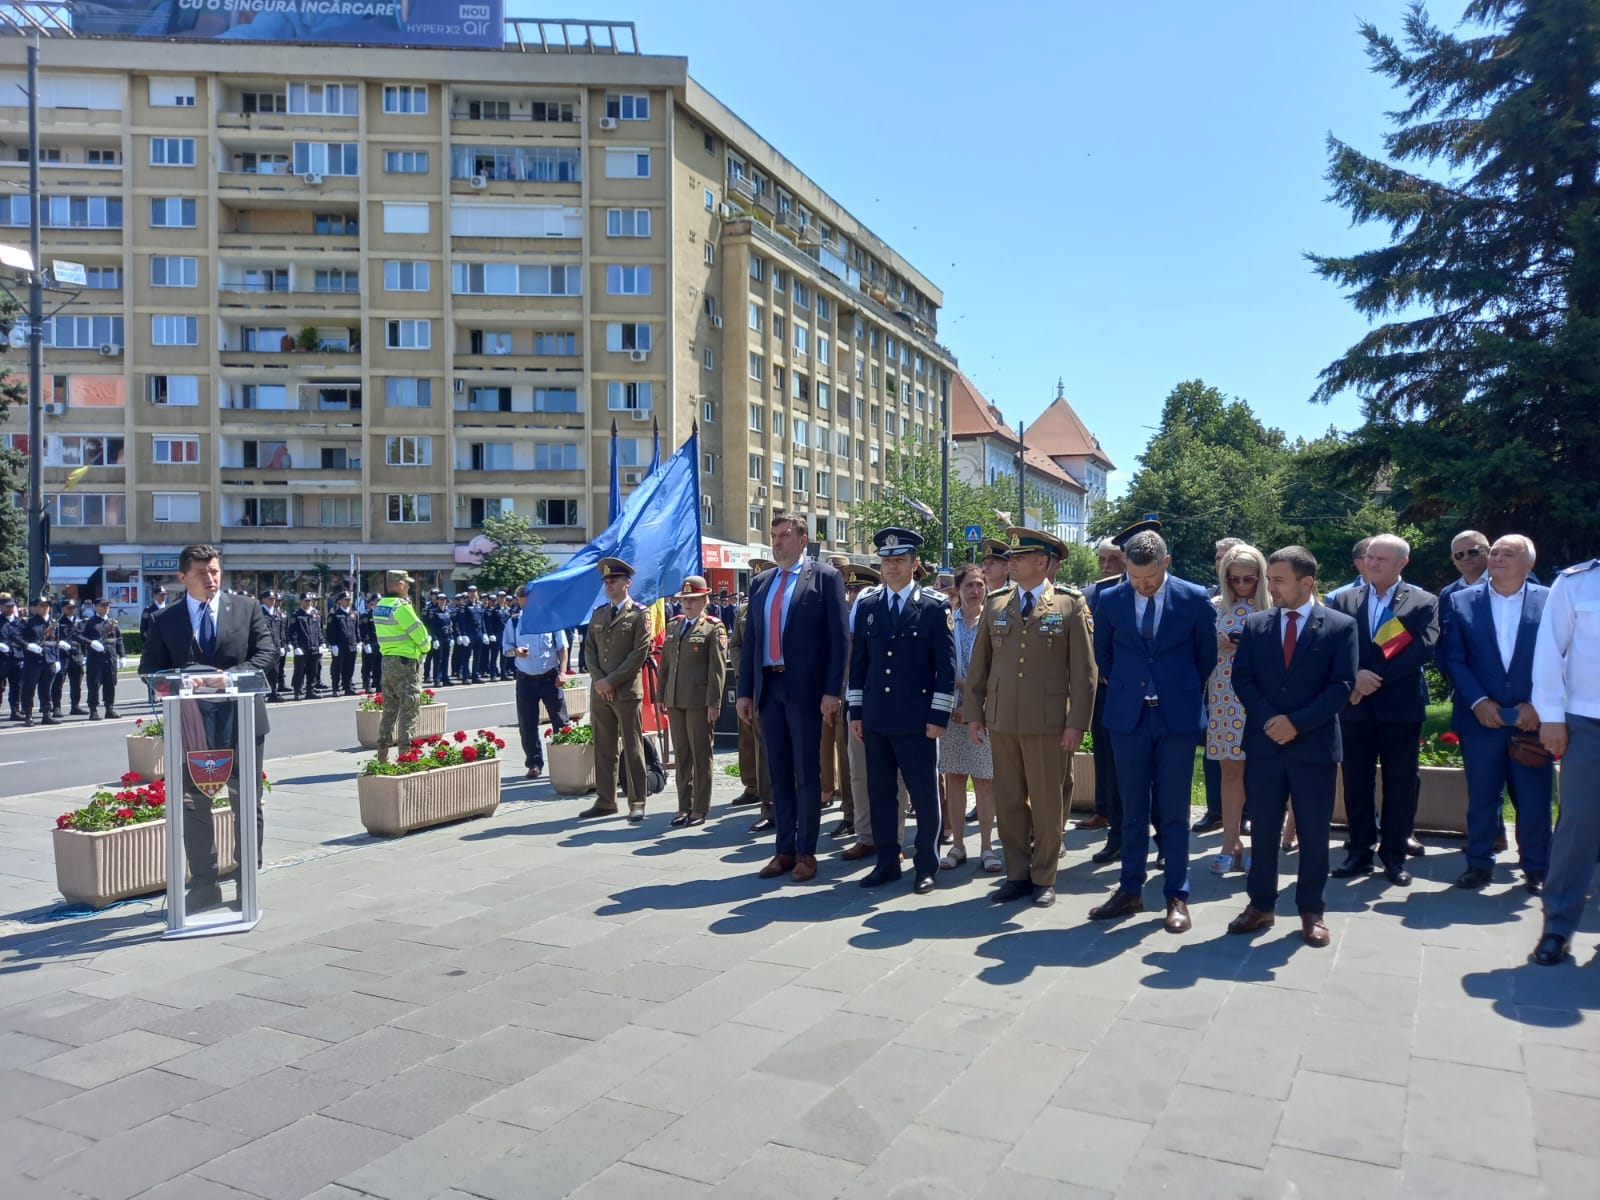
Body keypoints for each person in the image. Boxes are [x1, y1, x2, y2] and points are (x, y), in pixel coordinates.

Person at [1227, 546, 1359, 946]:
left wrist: (1296, 723)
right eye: (1270, 579)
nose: (1272, 587)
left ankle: (1311, 910)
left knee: (1315, 833)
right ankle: (1260, 905)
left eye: (1279, 579)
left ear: (1307, 583)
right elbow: (1243, 679)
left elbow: (1342, 686)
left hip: (1313, 747)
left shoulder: (1339, 626)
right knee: (1263, 830)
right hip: (1266, 745)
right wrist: (1271, 720)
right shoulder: (1257, 624)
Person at [1089, 527, 1216, 933]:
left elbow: (1205, 657)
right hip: (1129, 718)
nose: (1142, 586)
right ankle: (1129, 890)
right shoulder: (1110, 599)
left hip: (1176, 718)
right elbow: (1104, 655)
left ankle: (1176, 894)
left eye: (1150, 579)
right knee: (1131, 810)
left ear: (1166, 564)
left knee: (1174, 809)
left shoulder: (1194, 598)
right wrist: (1131, 687)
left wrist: (1175, 689)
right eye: (1135, 578)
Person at [138, 544, 275, 911]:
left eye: (215, 571)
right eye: (202, 574)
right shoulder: (166, 620)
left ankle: (247, 880)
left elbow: (266, 654)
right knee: (194, 805)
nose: (211, 579)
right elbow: (149, 670)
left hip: (242, 720)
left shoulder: (246, 609)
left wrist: (226, 679)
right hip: (191, 724)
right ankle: (204, 884)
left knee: (245, 801)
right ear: (183, 578)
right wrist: (183, 680)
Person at [965, 526, 1096, 908]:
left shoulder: (1070, 605)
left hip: (1048, 722)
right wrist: (975, 714)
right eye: (1011, 558)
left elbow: (1085, 674)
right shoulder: (996, 604)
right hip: (1003, 720)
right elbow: (979, 668)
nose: (1012, 564)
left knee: (1046, 802)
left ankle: (1044, 876)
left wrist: (1077, 724)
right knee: (1008, 802)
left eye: (1019, 558)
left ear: (1042, 562)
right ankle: (1017, 874)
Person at [737, 513, 849, 884]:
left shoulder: (825, 578)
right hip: (769, 688)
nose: (777, 542)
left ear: (803, 539)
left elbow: (839, 639)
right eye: (774, 535)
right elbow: (752, 640)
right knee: (778, 772)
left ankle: (806, 851)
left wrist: (833, 690)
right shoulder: (761, 583)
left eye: (784, 535)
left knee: (806, 772)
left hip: (805, 691)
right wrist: (745, 692)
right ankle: (783, 849)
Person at [1440, 535, 1553, 893]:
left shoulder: (1550, 601)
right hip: (1481, 718)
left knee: (1534, 798)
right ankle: (1478, 864)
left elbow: (1560, 658)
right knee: (1483, 796)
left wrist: (1538, 705)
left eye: (1509, 553)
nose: (1499, 557)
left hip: (1532, 720)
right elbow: (1453, 659)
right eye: (1496, 552)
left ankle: (1536, 867)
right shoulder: (1460, 602)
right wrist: (1478, 702)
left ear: (1528, 563)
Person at [846, 528, 955, 895]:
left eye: (899, 560)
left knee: (924, 796)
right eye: (887, 560)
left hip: (917, 720)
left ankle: (927, 864)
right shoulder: (869, 605)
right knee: (880, 795)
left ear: (914, 564)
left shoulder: (934, 607)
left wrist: (938, 716)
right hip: (876, 718)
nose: (891, 567)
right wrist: (856, 712)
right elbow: (859, 663)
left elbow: (946, 667)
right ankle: (887, 861)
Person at [1327, 534, 1440, 887]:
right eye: (1370, 557)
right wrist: (1355, 677)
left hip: (1399, 706)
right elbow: (1333, 645)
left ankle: (1393, 855)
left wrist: (1373, 678)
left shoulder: (1423, 601)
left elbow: (1422, 647)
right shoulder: (1344, 599)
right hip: (1355, 706)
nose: (1372, 563)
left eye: (1382, 559)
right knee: (1357, 781)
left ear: (1402, 563)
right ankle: (1359, 852)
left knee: (1400, 782)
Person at [1528, 555, 1600, 965]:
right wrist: (1552, 717)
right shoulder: (1577, 583)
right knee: (1578, 826)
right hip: (1588, 721)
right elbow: (1548, 652)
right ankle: (1557, 925)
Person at [1206, 543, 1270, 874]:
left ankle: (1265, 843)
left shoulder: (1276, 606)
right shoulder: (1213, 608)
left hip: (1264, 699)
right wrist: (1213, 642)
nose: (1242, 586)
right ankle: (1229, 843)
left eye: (1249, 579)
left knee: (1264, 776)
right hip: (1225, 699)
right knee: (1231, 772)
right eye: (1234, 580)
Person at [581, 558, 652, 821]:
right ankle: (605, 799)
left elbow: (639, 653)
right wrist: (599, 680)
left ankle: (637, 800)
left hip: (625, 692)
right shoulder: (599, 613)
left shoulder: (639, 614)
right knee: (603, 746)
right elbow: (589, 650)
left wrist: (611, 681)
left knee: (632, 747)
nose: (609, 584)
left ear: (627, 583)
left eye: (614, 580)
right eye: (606, 581)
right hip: (600, 692)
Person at [940, 563, 1000, 874]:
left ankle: (988, 847)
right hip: (951, 709)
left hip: (984, 711)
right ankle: (958, 844)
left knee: (985, 780)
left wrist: (975, 701)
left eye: (979, 585)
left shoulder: (994, 620)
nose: (975, 591)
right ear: (958, 590)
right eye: (969, 586)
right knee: (954, 777)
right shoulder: (948, 622)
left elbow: (999, 668)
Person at [659, 576, 727, 829]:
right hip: (676, 699)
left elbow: (717, 670)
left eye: (693, 599)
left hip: (699, 701)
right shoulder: (674, 626)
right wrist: (661, 696)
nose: (687, 604)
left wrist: (714, 702)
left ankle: (700, 807)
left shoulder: (713, 627)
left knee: (701, 755)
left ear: (704, 600)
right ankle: (683, 805)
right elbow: (665, 666)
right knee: (682, 755)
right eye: (684, 599)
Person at [1078, 536, 1126, 848]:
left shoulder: (1132, 591)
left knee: (1124, 758)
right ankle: (1102, 809)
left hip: (1128, 686)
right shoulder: (1088, 595)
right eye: (1102, 560)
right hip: (1099, 687)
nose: (1106, 566)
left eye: (1113, 560)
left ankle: (1126, 815)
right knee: (1102, 751)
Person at [504, 586, 569, 780]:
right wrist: (516, 651)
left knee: (560, 721)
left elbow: (563, 648)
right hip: (525, 678)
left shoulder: (551, 619)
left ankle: (564, 761)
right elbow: (506, 648)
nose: (524, 603)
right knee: (527, 724)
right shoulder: (514, 622)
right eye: (521, 599)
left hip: (550, 677)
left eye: (527, 599)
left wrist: (564, 672)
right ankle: (534, 764)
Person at [728, 563, 776, 826]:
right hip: (748, 684)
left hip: (772, 683)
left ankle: (772, 805)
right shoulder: (744, 610)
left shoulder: (778, 605)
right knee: (749, 741)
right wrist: (745, 672)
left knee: (770, 747)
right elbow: (737, 645)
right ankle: (752, 787)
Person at [372, 570, 434, 764]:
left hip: (388, 661)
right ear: (399, 584)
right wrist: (426, 647)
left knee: (390, 709)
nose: (408, 586)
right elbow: (419, 633)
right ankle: (406, 757)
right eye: (406, 583)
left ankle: (382, 757)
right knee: (409, 708)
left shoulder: (380, 606)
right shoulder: (401, 607)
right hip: (406, 662)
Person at [19, 595, 62, 726]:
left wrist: (57, 659)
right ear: (34, 608)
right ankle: (28, 715)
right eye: (42, 606)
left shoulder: (53, 623)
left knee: (46, 689)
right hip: (33, 661)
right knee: (29, 688)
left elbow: (56, 642)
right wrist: (28, 646)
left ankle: (46, 714)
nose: (46, 608)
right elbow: (18, 638)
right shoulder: (27, 622)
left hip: (49, 660)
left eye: (47, 605)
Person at [79, 595, 124, 719]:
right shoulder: (90, 623)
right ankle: (93, 710)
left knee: (110, 683)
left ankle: (109, 708)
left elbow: (119, 639)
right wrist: (91, 643)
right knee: (94, 684)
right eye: (103, 605)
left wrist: (122, 656)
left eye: (107, 605)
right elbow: (80, 636)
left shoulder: (112, 622)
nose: (106, 608)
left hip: (110, 657)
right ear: (95, 607)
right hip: (96, 658)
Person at [52, 598, 87, 716]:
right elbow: (51, 638)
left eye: (73, 608)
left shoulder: (79, 622)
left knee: (77, 682)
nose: (71, 610)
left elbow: (84, 638)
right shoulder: (57, 622)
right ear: (62, 609)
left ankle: (75, 705)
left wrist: (85, 655)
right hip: (63, 655)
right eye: (69, 608)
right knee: (58, 682)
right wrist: (59, 643)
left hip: (76, 654)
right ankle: (56, 707)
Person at [290, 593, 324, 700]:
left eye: (309, 601)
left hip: (314, 647)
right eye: (305, 601)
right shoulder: (296, 614)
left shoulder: (316, 613)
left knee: (313, 671)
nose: (308, 603)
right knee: (299, 671)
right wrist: (296, 646)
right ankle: (298, 691)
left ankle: (310, 691)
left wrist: (322, 643)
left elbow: (319, 630)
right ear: (301, 601)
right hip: (302, 648)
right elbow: (293, 632)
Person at [326, 591, 359, 697]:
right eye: (346, 599)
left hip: (351, 645)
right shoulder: (334, 614)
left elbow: (356, 629)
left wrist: (358, 642)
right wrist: (333, 644)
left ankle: (348, 688)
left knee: (349, 668)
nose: (348, 601)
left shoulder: (354, 613)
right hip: (340, 646)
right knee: (337, 668)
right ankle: (335, 689)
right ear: (340, 601)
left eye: (349, 599)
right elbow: (330, 631)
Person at [257, 591, 286, 702]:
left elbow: (281, 630)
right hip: (264, 647)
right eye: (270, 599)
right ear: (263, 599)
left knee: (275, 672)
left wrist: (283, 645)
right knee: (263, 672)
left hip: (276, 646)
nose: (273, 601)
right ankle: (261, 694)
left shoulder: (277, 612)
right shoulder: (259, 612)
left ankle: (273, 693)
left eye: (274, 599)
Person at [358, 593, 382, 694]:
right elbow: (363, 631)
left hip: (380, 644)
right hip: (370, 644)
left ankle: (379, 686)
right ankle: (367, 686)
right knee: (367, 667)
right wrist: (366, 642)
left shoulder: (382, 615)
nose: (379, 603)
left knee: (379, 667)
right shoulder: (366, 615)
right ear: (372, 602)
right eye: (377, 601)